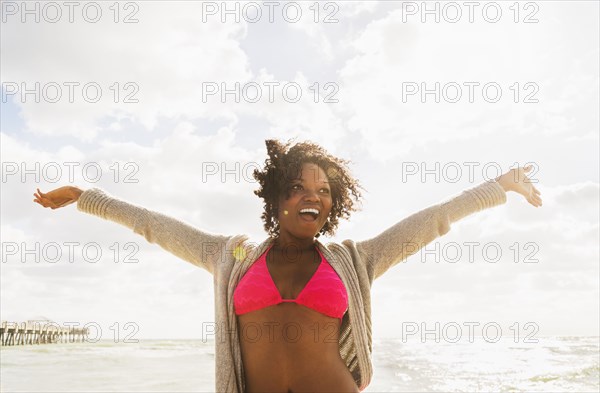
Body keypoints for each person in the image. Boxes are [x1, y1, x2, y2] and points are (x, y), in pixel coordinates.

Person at [33, 138, 542, 392]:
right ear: (277, 195)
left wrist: (497, 187)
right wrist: (87, 198)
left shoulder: (351, 259)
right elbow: (158, 227)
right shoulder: (232, 256)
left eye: (323, 192)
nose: (312, 198)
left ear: (332, 204)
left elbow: (429, 223)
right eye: (298, 187)